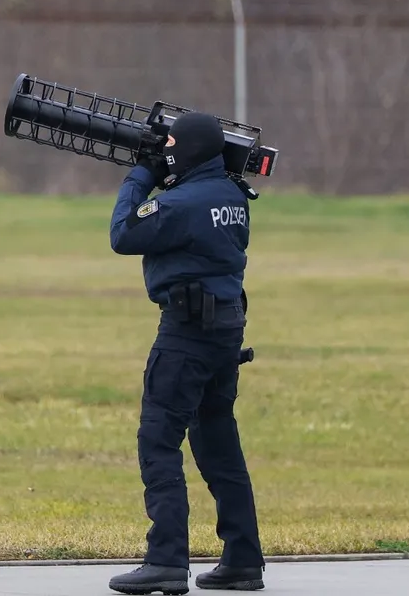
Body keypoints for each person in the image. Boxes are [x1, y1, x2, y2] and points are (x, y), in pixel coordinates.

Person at [106, 112, 266, 594]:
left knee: (158, 439)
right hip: (225, 331)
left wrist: (141, 175)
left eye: (171, 146)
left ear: (189, 152)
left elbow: (123, 233)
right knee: (218, 443)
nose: (166, 152)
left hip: (186, 334)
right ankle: (242, 560)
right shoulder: (232, 196)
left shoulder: (180, 204)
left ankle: (166, 560)